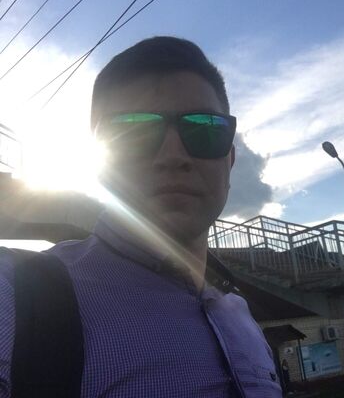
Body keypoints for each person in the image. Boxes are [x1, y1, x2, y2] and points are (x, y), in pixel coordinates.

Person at [0, 36, 282, 397]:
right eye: (133, 132)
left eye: (205, 129)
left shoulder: (242, 319)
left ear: (230, 159)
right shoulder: (21, 298)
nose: (172, 155)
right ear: (100, 163)